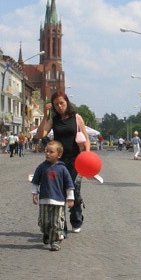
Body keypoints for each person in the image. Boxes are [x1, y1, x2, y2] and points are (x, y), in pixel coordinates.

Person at [35, 91, 90, 235]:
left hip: (76, 161)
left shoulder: (77, 118)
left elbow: (86, 138)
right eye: (56, 104)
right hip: (59, 162)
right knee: (60, 194)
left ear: (67, 102)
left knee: (74, 191)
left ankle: (76, 219)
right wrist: (45, 115)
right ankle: (61, 226)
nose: (59, 106)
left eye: (62, 103)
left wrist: (87, 154)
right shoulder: (54, 120)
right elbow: (40, 135)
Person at [31, 140, 75, 251]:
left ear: (59, 154)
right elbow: (35, 181)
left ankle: (55, 241)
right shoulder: (41, 167)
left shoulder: (63, 169)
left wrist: (70, 198)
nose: (48, 154)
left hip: (58, 201)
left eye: (51, 152)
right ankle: (46, 233)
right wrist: (35, 193)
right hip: (44, 200)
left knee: (57, 222)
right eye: (46, 151)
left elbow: (69, 185)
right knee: (44, 222)